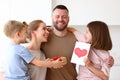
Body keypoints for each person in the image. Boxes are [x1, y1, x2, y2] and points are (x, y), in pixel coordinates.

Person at [42, 5, 114, 80]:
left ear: (68, 19)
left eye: (64, 17)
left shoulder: (80, 40)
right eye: (57, 16)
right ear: (52, 18)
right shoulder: (44, 37)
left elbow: (105, 74)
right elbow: (31, 48)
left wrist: (106, 61)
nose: (60, 19)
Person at [2, 20, 66, 80]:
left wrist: (55, 61)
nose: (47, 32)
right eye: (44, 29)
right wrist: (53, 64)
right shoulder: (22, 50)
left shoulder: (42, 54)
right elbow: (39, 63)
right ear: (33, 32)